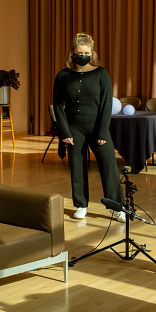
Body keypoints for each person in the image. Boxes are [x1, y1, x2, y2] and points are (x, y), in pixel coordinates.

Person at [52, 32, 125, 222]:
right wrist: (64, 132)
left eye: (87, 52)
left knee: (109, 167)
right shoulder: (63, 76)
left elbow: (107, 104)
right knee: (77, 168)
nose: (83, 55)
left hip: (97, 127)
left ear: (91, 53)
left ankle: (117, 207)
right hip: (73, 128)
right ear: (72, 53)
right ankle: (81, 205)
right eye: (80, 52)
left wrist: (102, 131)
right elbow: (57, 105)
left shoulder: (101, 74)